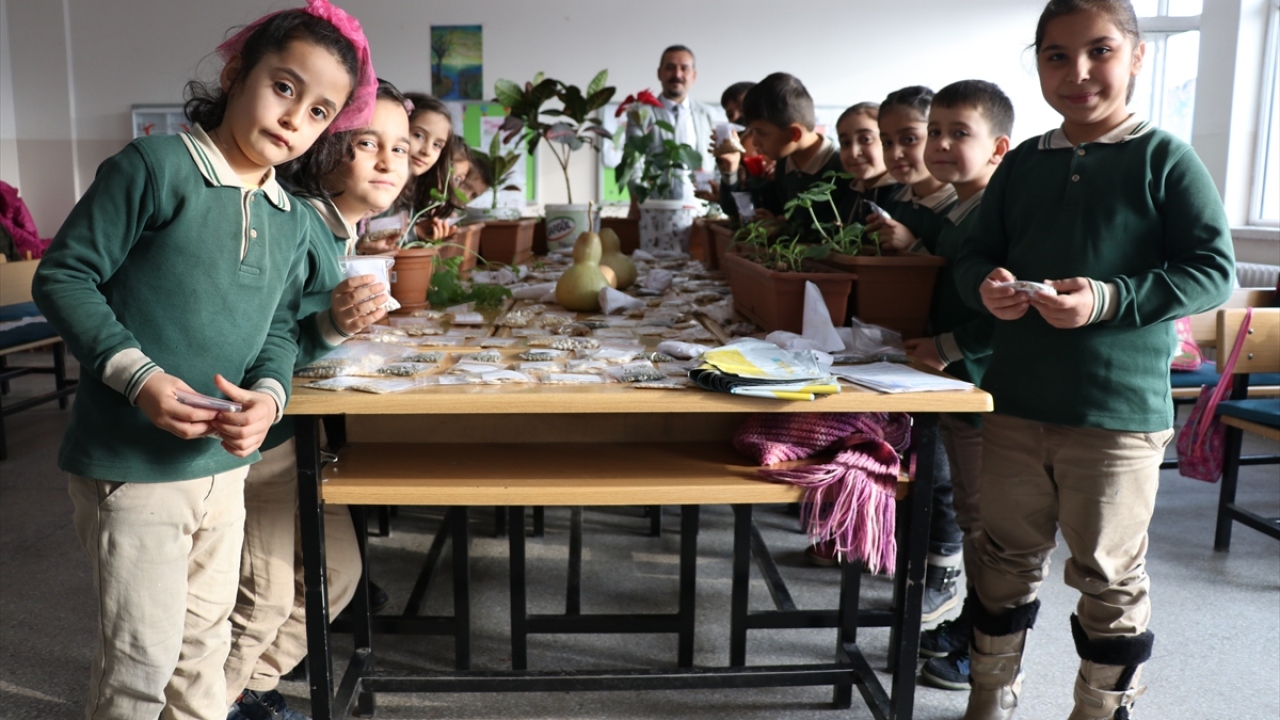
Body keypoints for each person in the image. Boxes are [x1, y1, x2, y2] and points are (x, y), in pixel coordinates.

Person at [29, 2, 375, 718]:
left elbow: (281, 329)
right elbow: (63, 276)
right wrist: (141, 376)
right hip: (132, 469)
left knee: (203, 657)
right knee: (139, 666)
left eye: (318, 112)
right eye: (285, 87)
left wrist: (270, 400)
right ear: (235, 71)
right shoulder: (156, 167)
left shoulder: (290, 217)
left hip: (226, 470)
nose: (293, 119)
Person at [952, 1, 1235, 717]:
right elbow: (972, 255)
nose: (1078, 72)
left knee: (1108, 575)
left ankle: (1100, 706)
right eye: (1056, 55)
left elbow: (1212, 271)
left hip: (1115, 416)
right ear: (1039, 62)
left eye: (1099, 51)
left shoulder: (1163, 158)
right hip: (1015, 402)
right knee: (1002, 560)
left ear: (1137, 58)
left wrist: (1108, 299)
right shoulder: (1022, 164)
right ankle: (990, 691)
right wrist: (985, 289)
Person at [225, 78, 409, 720]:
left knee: (336, 575)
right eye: (367, 143)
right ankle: (212, 701)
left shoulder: (340, 232)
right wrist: (332, 324)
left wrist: (340, 325)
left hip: (308, 438)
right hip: (266, 441)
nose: (390, 160)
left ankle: (247, 686)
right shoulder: (299, 224)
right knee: (264, 595)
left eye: (403, 147)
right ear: (327, 151)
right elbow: (260, 341)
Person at [898, 79, 1014, 693]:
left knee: (982, 521)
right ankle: (969, 623)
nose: (940, 143)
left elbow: (1003, 311)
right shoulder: (959, 207)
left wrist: (947, 349)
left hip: (980, 391)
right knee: (973, 514)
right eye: (934, 131)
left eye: (958, 133)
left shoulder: (994, 214)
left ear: (998, 147)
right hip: (949, 385)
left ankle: (982, 641)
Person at [716, 72, 848, 229]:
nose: (755, 141)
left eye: (761, 132)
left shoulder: (843, 166)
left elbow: (840, 233)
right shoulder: (785, 164)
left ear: (794, 134)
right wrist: (731, 167)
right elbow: (736, 210)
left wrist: (783, 229)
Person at [357, 92, 459, 252]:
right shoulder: (371, 183)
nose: (427, 151)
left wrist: (417, 230)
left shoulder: (413, 193)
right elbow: (359, 239)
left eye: (437, 145)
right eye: (418, 135)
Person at [625, 45, 720, 207]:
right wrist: (638, 196)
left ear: (694, 75)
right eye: (670, 68)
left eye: (684, 68)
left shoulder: (709, 114)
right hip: (654, 208)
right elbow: (632, 160)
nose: (677, 74)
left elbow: (719, 160)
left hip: (700, 209)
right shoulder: (641, 113)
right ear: (659, 73)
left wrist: (718, 198)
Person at [867, 86, 957, 252]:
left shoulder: (961, 206)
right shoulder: (896, 200)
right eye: (887, 143)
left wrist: (911, 247)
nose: (895, 154)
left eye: (909, 139)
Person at [834, 102, 898, 226]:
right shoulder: (848, 190)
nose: (853, 153)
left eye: (866, 139)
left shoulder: (905, 195)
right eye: (845, 143)